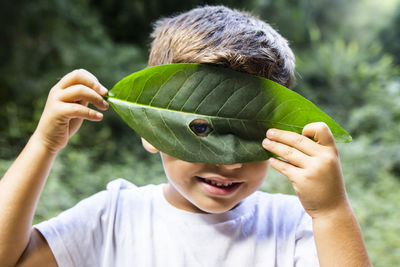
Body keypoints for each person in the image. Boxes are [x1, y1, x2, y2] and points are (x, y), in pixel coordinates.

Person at [0, 5, 371, 267]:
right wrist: (43, 145)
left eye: (249, 132)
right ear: (151, 129)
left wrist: (331, 211)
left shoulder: (294, 225)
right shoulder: (112, 217)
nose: (232, 160)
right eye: (202, 129)